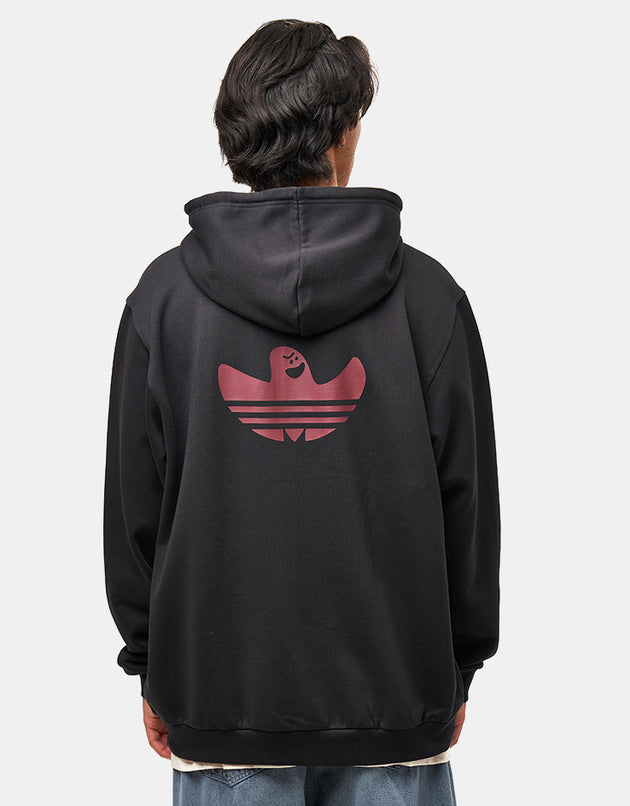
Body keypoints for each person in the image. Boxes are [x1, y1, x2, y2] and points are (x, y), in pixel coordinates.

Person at [103, 18, 501, 806]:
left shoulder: (163, 302)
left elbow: (133, 513)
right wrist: (457, 668)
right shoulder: (429, 300)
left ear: (238, 136)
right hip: (395, 705)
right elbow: (470, 510)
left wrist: (151, 664)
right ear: (344, 133)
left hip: (221, 706)